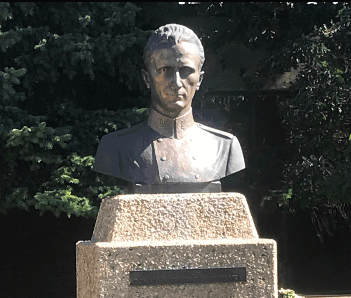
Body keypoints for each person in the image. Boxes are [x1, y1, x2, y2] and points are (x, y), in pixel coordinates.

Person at [93, 23, 244, 192]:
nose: (177, 83)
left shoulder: (224, 147)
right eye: (165, 70)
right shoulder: (117, 147)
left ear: (199, 80)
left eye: (186, 70)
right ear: (147, 78)